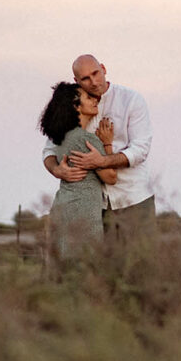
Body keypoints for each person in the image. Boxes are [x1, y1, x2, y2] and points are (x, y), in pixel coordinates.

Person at [43, 55, 155, 241]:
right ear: (76, 81)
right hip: (95, 206)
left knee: (141, 265)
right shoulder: (73, 107)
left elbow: (140, 149)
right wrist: (57, 170)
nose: (93, 82)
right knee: (102, 267)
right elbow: (49, 150)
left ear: (103, 69)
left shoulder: (131, 100)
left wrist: (102, 161)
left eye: (96, 73)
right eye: (85, 78)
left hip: (133, 198)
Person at [38, 81, 117, 258]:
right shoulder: (86, 140)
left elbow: (48, 155)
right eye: (88, 97)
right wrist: (107, 143)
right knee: (87, 268)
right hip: (83, 212)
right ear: (76, 106)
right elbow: (111, 177)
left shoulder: (60, 137)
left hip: (63, 207)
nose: (95, 100)